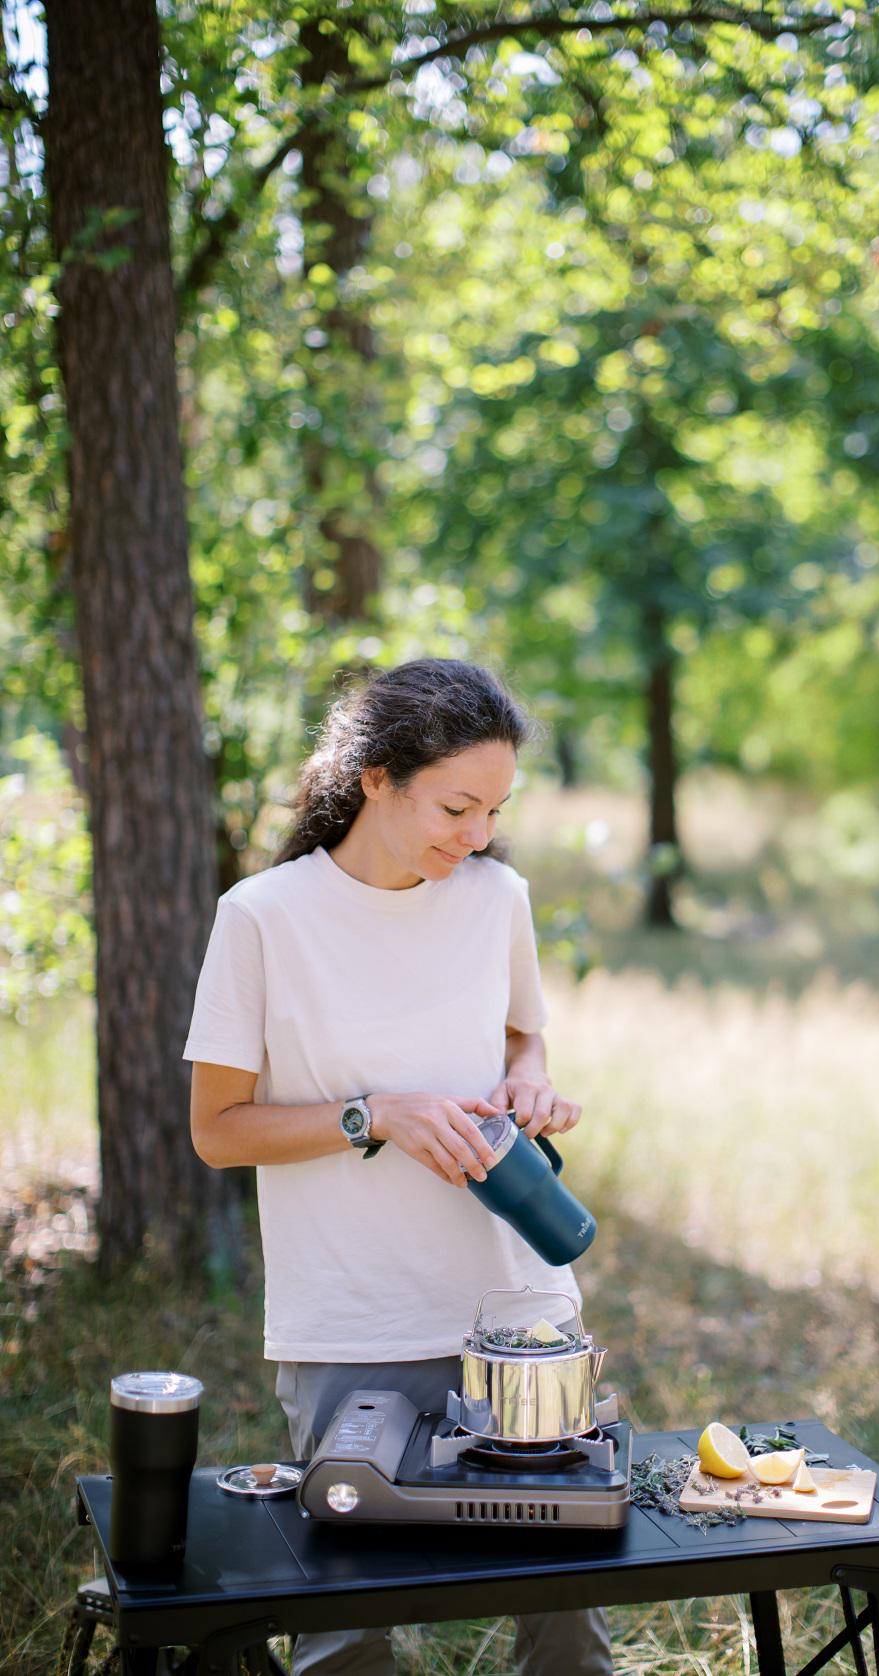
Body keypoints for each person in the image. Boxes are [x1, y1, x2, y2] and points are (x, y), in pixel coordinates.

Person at [184, 658, 612, 1676]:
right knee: (348, 1629)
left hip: (521, 1309)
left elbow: (523, 1041)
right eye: (456, 806)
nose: (475, 836)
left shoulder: (495, 896)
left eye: (494, 809)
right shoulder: (261, 917)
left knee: (567, 1615)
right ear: (375, 777)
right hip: (351, 1315)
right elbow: (218, 1130)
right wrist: (374, 1114)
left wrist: (531, 1086)